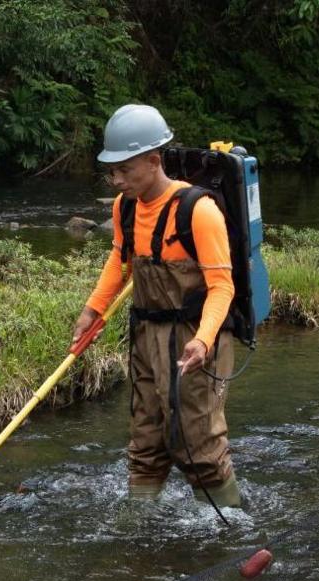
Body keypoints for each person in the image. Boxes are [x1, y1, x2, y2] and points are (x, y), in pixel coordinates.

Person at [73, 104, 241, 507]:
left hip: (195, 343)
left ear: (153, 161)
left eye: (124, 170)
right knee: (146, 437)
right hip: (147, 336)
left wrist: (202, 341)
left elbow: (222, 286)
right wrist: (92, 310)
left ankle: (231, 524)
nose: (116, 180)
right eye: (111, 171)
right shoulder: (125, 208)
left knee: (197, 441)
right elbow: (120, 261)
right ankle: (137, 523)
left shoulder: (198, 211)